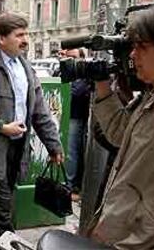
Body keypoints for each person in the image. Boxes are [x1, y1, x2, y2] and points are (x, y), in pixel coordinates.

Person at [0, 13, 64, 249]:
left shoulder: (25, 67)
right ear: (0, 38)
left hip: (17, 153)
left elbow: (40, 112)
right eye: (19, 35)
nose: (25, 40)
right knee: (3, 216)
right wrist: (1, 128)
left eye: (26, 34)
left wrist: (53, 145)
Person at [88, 3, 154, 248]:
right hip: (121, 237)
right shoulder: (153, 97)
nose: (133, 56)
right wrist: (103, 85)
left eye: (142, 47)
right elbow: (119, 134)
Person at [62, 48, 91, 201]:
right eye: (67, 57)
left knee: (72, 152)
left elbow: (77, 91)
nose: (70, 60)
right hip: (67, 116)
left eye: (73, 57)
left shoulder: (83, 74)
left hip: (77, 117)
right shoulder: (66, 71)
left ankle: (70, 185)